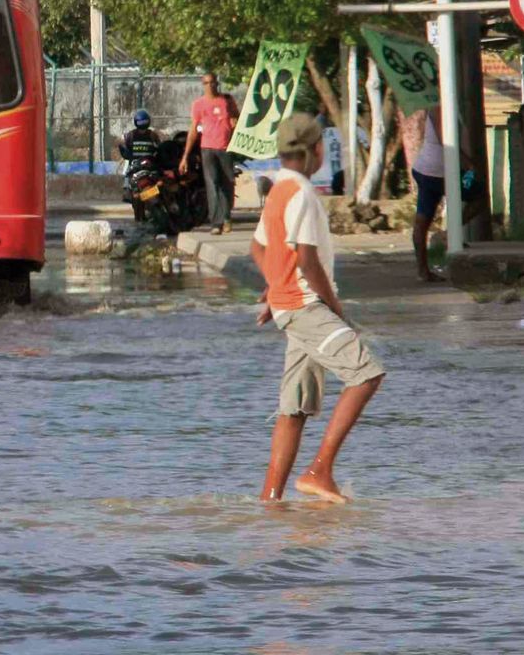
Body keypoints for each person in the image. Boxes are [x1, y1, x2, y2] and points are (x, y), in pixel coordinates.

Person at [250, 112, 386, 504]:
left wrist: (275, 288)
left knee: (294, 407)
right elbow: (307, 260)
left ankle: (270, 499)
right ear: (315, 151)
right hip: (307, 305)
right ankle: (319, 470)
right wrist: (335, 307)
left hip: (291, 305)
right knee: (366, 374)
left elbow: (259, 248)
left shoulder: (279, 190)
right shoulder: (303, 194)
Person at [179, 72, 239, 234]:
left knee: (227, 183)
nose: (210, 86)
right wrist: (185, 156)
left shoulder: (227, 100)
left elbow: (237, 118)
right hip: (207, 149)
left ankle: (226, 217)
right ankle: (216, 223)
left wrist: (234, 124)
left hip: (225, 148)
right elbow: (193, 129)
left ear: (217, 83)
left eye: (212, 82)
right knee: (212, 184)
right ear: (203, 85)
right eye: (206, 83)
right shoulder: (199, 104)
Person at [409, 106, 447, 283]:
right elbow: (445, 139)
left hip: (432, 171)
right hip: (434, 173)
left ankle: (423, 270)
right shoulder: (439, 108)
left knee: (422, 220)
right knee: (475, 193)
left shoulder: (450, 107)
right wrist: (468, 161)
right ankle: (450, 236)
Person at [119, 109, 162, 177]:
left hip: (149, 167)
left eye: (144, 122)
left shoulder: (153, 135)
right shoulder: (131, 135)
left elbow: (159, 150)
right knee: (127, 178)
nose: (142, 124)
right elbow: (126, 152)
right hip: (135, 168)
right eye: (140, 122)